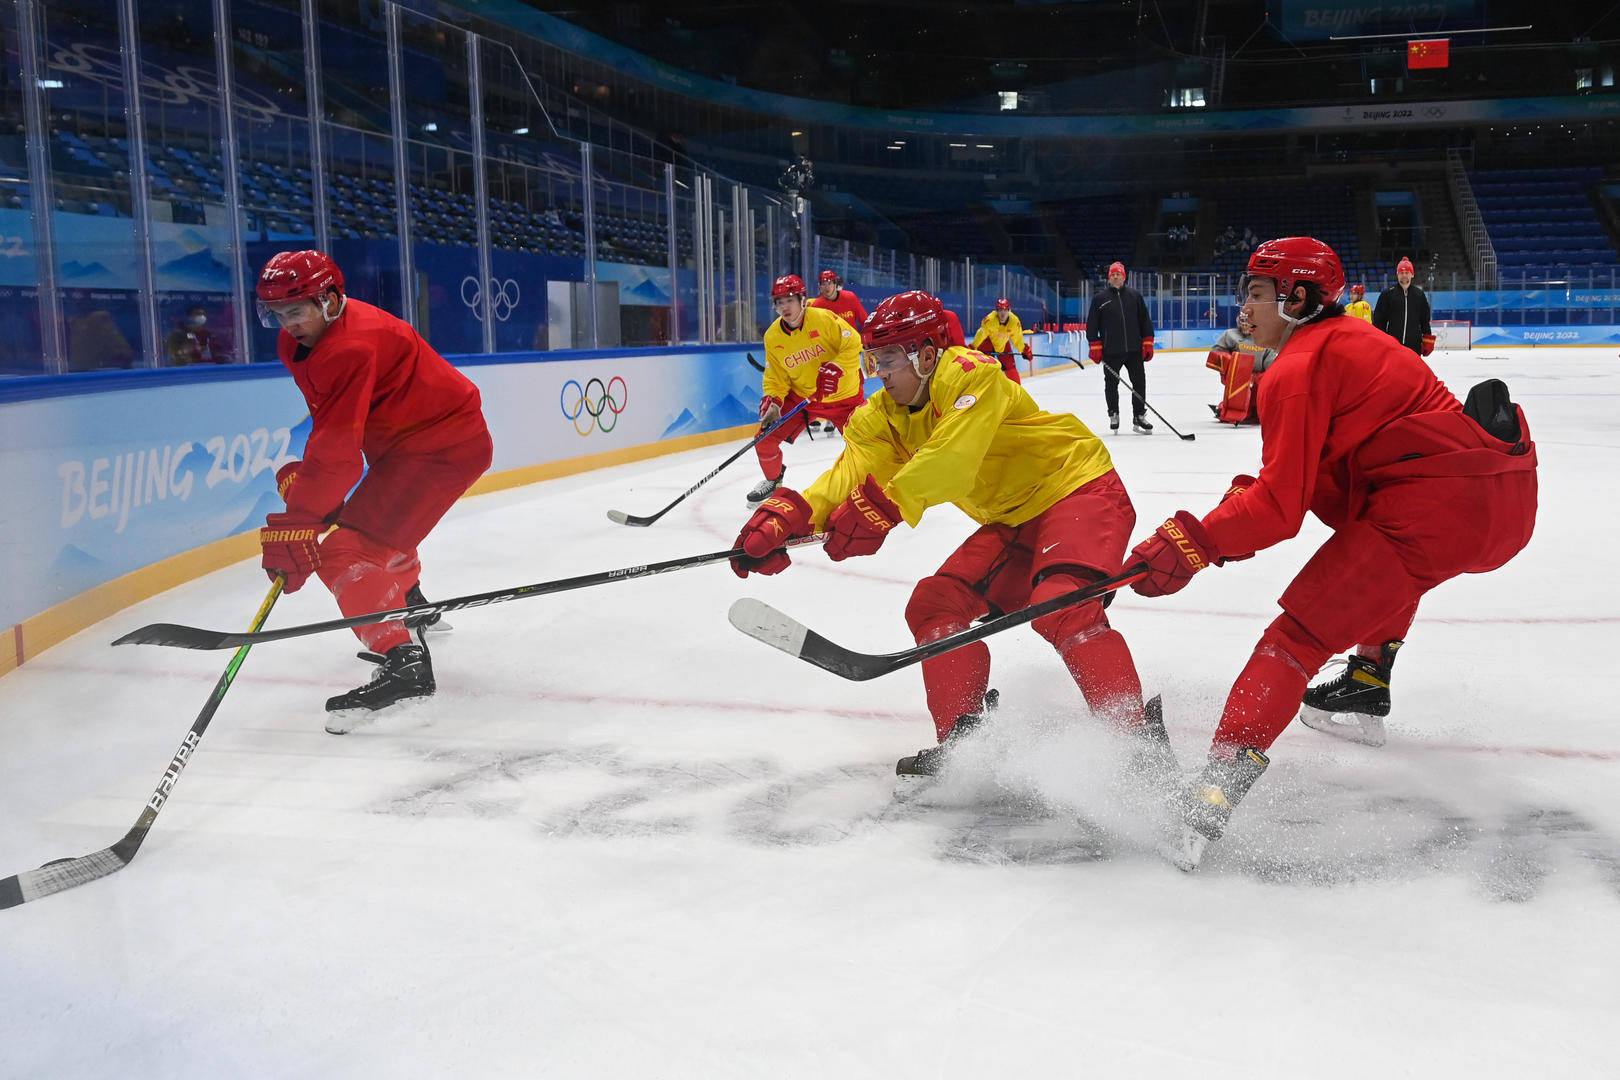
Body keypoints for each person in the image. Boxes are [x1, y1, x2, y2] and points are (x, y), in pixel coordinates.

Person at [1124, 237, 1537, 871]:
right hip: (1485, 498)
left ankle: (1206, 801)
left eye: (1256, 294)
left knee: (1294, 639)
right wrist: (1228, 517)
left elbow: (1278, 510)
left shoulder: (1296, 367)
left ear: (1296, 297)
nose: (1243, 308)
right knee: (1374, 558)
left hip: (1435, 509)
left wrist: (1190, 542)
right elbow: (1318, 483)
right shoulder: (1348, 339)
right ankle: (1368, 682)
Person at [730, 290, 1172, 787]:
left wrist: (884, 505)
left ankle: (1136, 746)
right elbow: (848, 474)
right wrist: (786, 519)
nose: (879, 372)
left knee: (1062, 605)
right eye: (874, 360)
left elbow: (950, 458)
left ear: (925, 353)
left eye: (889, 359)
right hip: (1014, 519)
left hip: (1078, 489)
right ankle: (965, 741)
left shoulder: (969, 372)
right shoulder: (884, 413)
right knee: (933, 605)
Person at [255, 250, 493, 730]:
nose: (287, 324)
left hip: (441, 448)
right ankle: (410, 604)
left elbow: (339, 451)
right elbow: (336, 429)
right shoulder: (303, 342)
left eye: (295, 310)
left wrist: (301, 521)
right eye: (275, 314)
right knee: (372, 528)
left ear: (330, 299)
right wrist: (313, 501)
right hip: (412, 444)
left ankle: (404, 664)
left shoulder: (352, 344)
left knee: (347, 551)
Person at [749, 273, 865, 505]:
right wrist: (774, 400)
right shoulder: (773, 335)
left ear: (803, 299)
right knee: (764, 439)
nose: (784, 307)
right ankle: (773, 479)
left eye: (789, 300)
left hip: (844, 399)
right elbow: (776, 374)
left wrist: (836, 367)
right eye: (779, 302)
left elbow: (853, 343)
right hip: (804, 399)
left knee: (865, 446)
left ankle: (870, 486)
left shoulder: (824, 319)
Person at [1084, 261, 1155, 433]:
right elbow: (1092, 324)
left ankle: (1139, 415)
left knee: (1139, 382)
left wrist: (1147, 343)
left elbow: (1145, 320)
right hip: (1111, 350)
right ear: (1109, 278)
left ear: (1124, 276)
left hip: (1134, 350)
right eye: (1113, 274)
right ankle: (1113, 413)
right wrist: (1095, 346)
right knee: (1111, 384)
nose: (1116, 276)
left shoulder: (1135, 296)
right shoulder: (1100, 299)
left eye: (1119, 274)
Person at [1204, 310, 1276, 425]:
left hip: (1258, 376)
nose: (1245, 324)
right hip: (1238, 377)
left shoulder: (1265, 338)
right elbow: (1216, 353)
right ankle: (1226, 410)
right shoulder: (1230, 335)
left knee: (1261, 398)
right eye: (1242, 321)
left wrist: (1265, 376)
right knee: (1239, 403)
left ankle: (1259, 410)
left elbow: (1271, 363)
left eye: (1248, 321)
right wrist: (1230, 364)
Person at [1372, 257, 1434, 357]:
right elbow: (1379, 320)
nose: (1404, 275)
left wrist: (1428, 341)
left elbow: (1424, 320)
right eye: (1401, 272)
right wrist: (1381, 341)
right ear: (1397, 274)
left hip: (1414, 345)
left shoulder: (1419, 295)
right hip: (1393, 346)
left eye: (1407, 272)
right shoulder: (1387, 294)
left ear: (1412, 274)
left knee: (1413, 372)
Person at [969, 297, 1032, 384]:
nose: (1002, 314)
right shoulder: (989, 320)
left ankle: (1016, 392)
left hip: (1003, 343)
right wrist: (973, 346)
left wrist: (1024, 350)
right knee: (984, 368)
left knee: (1010, 367)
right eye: (1000, 310)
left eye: (1005, 310)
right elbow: (981, 334)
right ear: (996, 311)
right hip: (988, 342)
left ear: (1009, 311)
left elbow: (1017, 340)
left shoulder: (1015, 322)